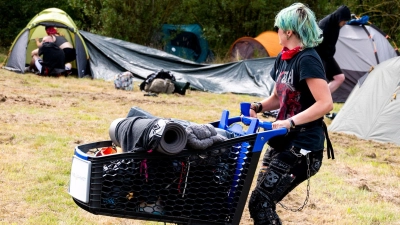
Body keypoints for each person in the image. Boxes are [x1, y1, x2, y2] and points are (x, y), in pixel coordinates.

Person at [247, 3, 334, 225]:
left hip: (304, 147)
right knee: (259, 202)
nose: (275, 31)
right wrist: (257, 106)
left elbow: (325, 103)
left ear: (289, 31)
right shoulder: (283, 58)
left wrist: (290, 121)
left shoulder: (307, 59)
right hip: (281, 142)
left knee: (260, 203)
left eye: (278, 27)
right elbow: (278, 97)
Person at [315, 5, 351, 93]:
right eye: (344, 20)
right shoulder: (324, 25)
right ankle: (317, 100)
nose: (345, 23)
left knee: (339, 77)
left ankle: (322, 97)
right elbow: (315, 44)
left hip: (328, 57)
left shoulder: (337, 24)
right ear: (340, 17)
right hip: (319, 57)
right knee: (320, 82)